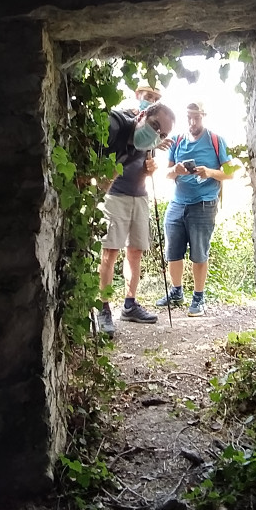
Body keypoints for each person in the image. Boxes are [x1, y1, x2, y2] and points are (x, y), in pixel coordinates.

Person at [98, 100, 175, 338]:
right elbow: (102, 168)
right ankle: (103, 308)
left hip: (139, 194)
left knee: (135, 251)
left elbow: (144, 165)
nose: (156, 133)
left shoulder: (147, 141)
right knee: (110, 251)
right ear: (142, 113)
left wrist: (149, 169)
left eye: (161, 132)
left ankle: (129, 304)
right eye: (155, 126)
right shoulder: (119, 123)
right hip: (115, 194)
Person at [157, 100, 234, 317]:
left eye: (196, 117)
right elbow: (167, 173)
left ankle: (198, 297)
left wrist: (209, 172)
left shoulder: (217, 141)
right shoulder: (178, 140)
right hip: (178, 202)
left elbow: (229, 173)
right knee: (173, 250)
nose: (192, 122)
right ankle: (176, 292)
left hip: (204, 203)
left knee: (199, 252)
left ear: (203, 116)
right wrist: (177, 170)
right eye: (189, 117)